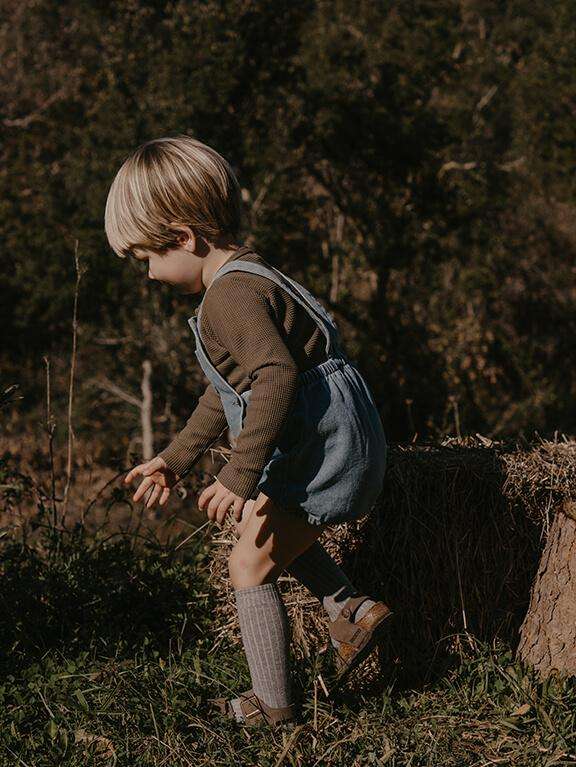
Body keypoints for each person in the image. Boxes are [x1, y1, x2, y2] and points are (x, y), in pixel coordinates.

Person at [104, 134, 393, 728]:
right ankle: (351, 609)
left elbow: (275, 374)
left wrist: (237, 473)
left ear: (184, 238)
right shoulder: (253, 272)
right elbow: (227, 387)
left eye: (147, 258)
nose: (150, 274)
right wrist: (176, 458)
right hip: (335, 435)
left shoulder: (228, 297)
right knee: (268, 517)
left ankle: (275, 707)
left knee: (247, 565)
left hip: (325, 446)